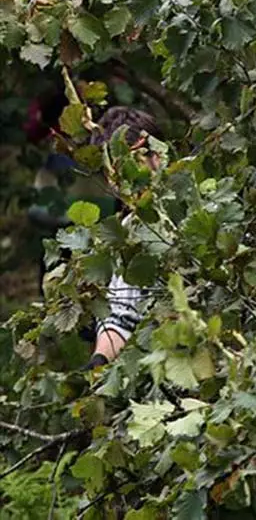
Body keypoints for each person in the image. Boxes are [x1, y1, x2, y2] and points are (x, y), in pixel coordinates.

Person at [81, 107, 164, 369]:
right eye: (113, 172)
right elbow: (120, 317)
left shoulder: (205, 200)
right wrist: (98, 362)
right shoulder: (126, 232)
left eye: (132, 162)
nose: (120, 179)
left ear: (158, 154)